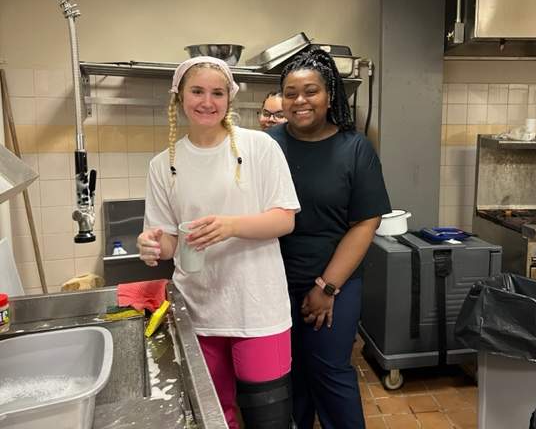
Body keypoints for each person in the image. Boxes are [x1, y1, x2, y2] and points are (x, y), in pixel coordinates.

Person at [136, 56, 300, 429]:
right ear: (179, 97)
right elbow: (169, 242)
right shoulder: (163, 165)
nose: (207, 101)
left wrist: (231, 226)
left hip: (258, 306)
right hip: (199, 308)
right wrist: (152, 246)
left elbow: (285, 219)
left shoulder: (259, 148)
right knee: (215, 416)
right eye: (197, 91)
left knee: (269, 417)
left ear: (230, 98)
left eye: (217, 92)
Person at [268, 49, 391, 429]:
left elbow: (364, 224)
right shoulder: (266, 146)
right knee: (288, 375)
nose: (299, 101)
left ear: (330, 96)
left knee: (329, 370)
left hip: (334, 281)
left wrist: (326, 286)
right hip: (272, 283)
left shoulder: (355, 149)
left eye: (310, 91)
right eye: (290, 93)